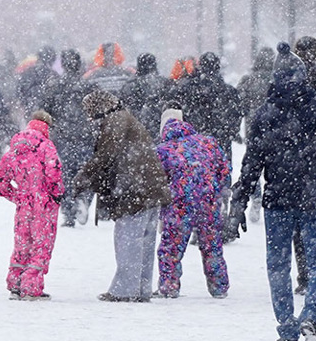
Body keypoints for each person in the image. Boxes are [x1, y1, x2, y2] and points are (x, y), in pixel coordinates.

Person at [235, 62, 316, 341]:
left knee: (278, 264)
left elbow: (252, 163)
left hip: (278, 200)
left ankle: (286, 326)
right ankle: (311, 315)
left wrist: (239, 201)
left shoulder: (267, 113)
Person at [77, 91, 173, 301]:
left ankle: (125, 290)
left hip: (134, 190)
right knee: (144, 242)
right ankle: (141, 288)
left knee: (128, 240)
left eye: (90, 112)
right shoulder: (126, 118)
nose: (90, 118)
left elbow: (106, 155)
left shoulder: (115, 121)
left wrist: (83, 177)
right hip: (150, 188)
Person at [154, 109, 230, 299]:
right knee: (212, 245)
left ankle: (169, 286)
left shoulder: (163, 150)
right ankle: (219, 286)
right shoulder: (208, 143)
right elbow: (224, 170)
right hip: (209, 202)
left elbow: (158, 181)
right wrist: (214, 190)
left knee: (171, 248)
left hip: (179, 205)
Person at [0, 109, 64, 299]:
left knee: (22, 245)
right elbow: (53, 171)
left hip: (24, 205)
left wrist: (18, 196)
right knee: (41, 246)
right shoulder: (46, 146)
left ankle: (15, 284)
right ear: (47, 127)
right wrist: (56, 194)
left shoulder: (14, 148)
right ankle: (31, 286)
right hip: (44, 204)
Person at [39, 49, 94, 227]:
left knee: (65, 175)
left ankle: (69, 212)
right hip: (85, 135)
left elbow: (45, 111)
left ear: (63, 64)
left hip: (62, 137)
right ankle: (84, 197)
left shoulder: (54, 86)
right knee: (85, 170)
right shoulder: (88, 86)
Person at [178, 51, 245, 153]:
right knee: (222, 167)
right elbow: (237, 113)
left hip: (195, 141)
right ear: (218, 67)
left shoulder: (188, 89)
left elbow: (181, 111)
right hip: (221, 141)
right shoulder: (228, 91)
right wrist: (230, 132)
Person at [121, 52, 173, 136]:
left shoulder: (130, 84)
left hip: (139, 128)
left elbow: (127, 106)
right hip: (163, 126)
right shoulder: (165, 82)